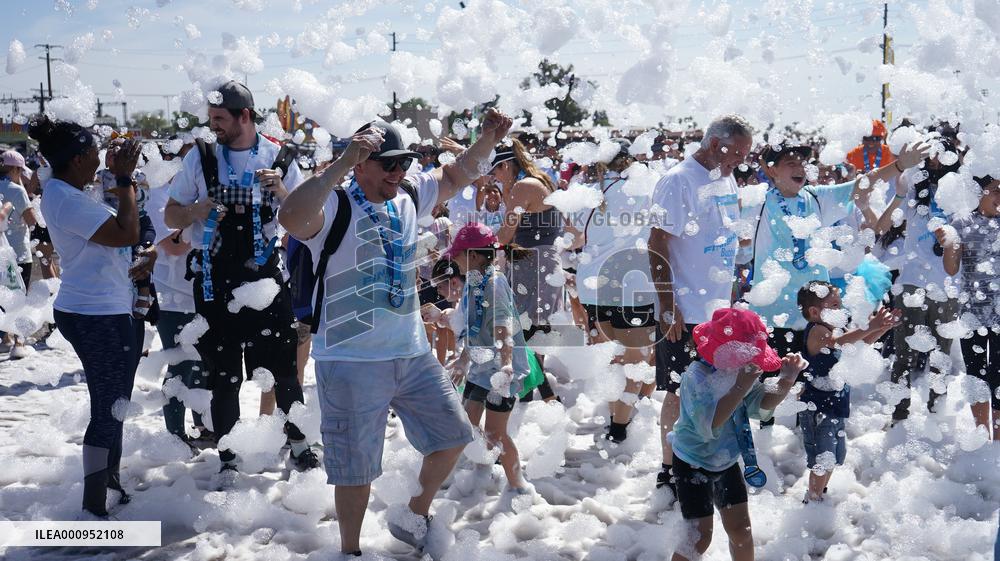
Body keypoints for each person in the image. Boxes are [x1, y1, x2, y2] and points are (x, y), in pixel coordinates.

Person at [278, 109, 512, 557]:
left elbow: (457, 174)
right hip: (348, 359)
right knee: (355, 470)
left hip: (411, 353)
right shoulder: (334, 205)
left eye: (403, 161)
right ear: (360, 164)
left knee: (454, 436)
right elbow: (291, 216)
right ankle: (350, 550)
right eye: (388, 163)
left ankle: (413, 513)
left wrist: (486, 139)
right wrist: (341, 164)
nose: (399, 171)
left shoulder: (405, 194)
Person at [164, 81, 319, 483]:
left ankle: (299, 447)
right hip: (215, 282)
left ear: (244, 116)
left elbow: (304, 222)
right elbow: (169, 217)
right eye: (210, 118)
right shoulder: (200, 158)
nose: (212, 126)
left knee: (285, 372)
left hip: (265, 279)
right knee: (224, 377)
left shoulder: (279, 157)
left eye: (220, 119)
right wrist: (199, 209)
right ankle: (229, 457)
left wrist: (282, 189)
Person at [31, 115, 143, 517]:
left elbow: (110, 242)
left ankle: (109, 483)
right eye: (94, 152)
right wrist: (125, 180)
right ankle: (93, 508)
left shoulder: (71, 189)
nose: (101, 158)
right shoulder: (63, 197)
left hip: (105, 307)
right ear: (78, 158)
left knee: (118, 402)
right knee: (108, 407)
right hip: (94, 313)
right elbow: (124, 233)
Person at [648, 114, 753, 493]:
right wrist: (666, 304)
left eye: (745, 154)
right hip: (685, 309)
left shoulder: (725, 175)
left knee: (715, 390)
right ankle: (669, 470)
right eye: (736, 152)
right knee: (678, 392)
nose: (740, 161)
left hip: (719, 309)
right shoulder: (677, 181)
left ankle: (702, 461)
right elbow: (656, 242)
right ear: (713, 144)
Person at [668, 307, 808, 561]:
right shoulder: (696, 378)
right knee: (699, 538)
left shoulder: (740, 371)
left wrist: (786, 381)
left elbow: (762, 404)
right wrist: (740, 385)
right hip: (692, 462)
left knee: (741, 531)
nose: (752, 363)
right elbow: (711, 424)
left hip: (726, 460)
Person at [565, 139, 657, 443]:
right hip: (634, 284)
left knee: (609, 358)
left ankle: (613, 417)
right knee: (636, 360)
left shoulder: (586, 194)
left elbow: (574, 241)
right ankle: (620, 425)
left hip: (594, 287)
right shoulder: (644, 189)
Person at [443, 222, 534, 499]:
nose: (454, 260)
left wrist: (506, 365)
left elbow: (503, 326)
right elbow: (474, 327)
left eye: (457, 254)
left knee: (496, 433)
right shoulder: (473, 282)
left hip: (500, 372)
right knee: (466, 424)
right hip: (481, 368)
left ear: (474, 255)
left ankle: (519, 487)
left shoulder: (494, 284)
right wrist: (462, 360)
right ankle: (483, 471)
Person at [872, 139, 958, 423]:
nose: (934, 160)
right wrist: (897, 195)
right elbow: (883, 227)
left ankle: (936, 413)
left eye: (941, 155)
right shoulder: (913, 187)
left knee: (940, 356)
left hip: (946, 285)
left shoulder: (961, 192)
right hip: (911, 281)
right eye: (930, 155)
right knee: (904, 352)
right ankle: (899, 413)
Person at [795, 281, 900, 502]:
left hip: (835, 404)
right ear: (814, 311)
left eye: (840, 305)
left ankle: (820, 494)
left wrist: (881, 328)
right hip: (817, 408)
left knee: (833, 455)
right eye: (834, 305)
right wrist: (870, 326)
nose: (840, 310)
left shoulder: (835, 329)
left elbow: (862, 342)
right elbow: (838, 342)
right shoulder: (817, 331)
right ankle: (812, 500)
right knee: (821, 459)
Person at [148, 139, 212, 445]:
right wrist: (201, 217)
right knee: (180, 364)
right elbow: (173, 248)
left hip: (200, 291)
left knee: (201, 363)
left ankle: (202, 424)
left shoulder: (191, 195)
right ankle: (174, 435)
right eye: (187, 161)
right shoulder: (159, 198)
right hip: (173, 294)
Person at [492, 139, 564, 402]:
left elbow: (505, 233)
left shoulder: (524, 187)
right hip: (537, 264)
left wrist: (475, 243)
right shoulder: (539, 181)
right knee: (532, 335)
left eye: (496, 170)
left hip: (533, 266)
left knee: (526, 334)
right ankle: (539, 398)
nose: (494, 177)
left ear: (508, 165)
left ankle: (540, 398)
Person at [942, 175, 1000, 440]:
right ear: (979, 192)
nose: (999, 195)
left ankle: (998, 440)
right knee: (976, 376)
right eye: (995, 190)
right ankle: (981, 434)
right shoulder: (962, 222)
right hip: (971, 313)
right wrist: (948, 242)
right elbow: (951, 268)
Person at [0, 150, 40, 359]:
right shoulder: (17, 190)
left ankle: (4, 339)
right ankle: (19, 343)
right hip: (18, 252)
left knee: (2, 297)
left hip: (0, 254)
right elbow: (32, 220)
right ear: (15, 169)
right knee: (20, 298)